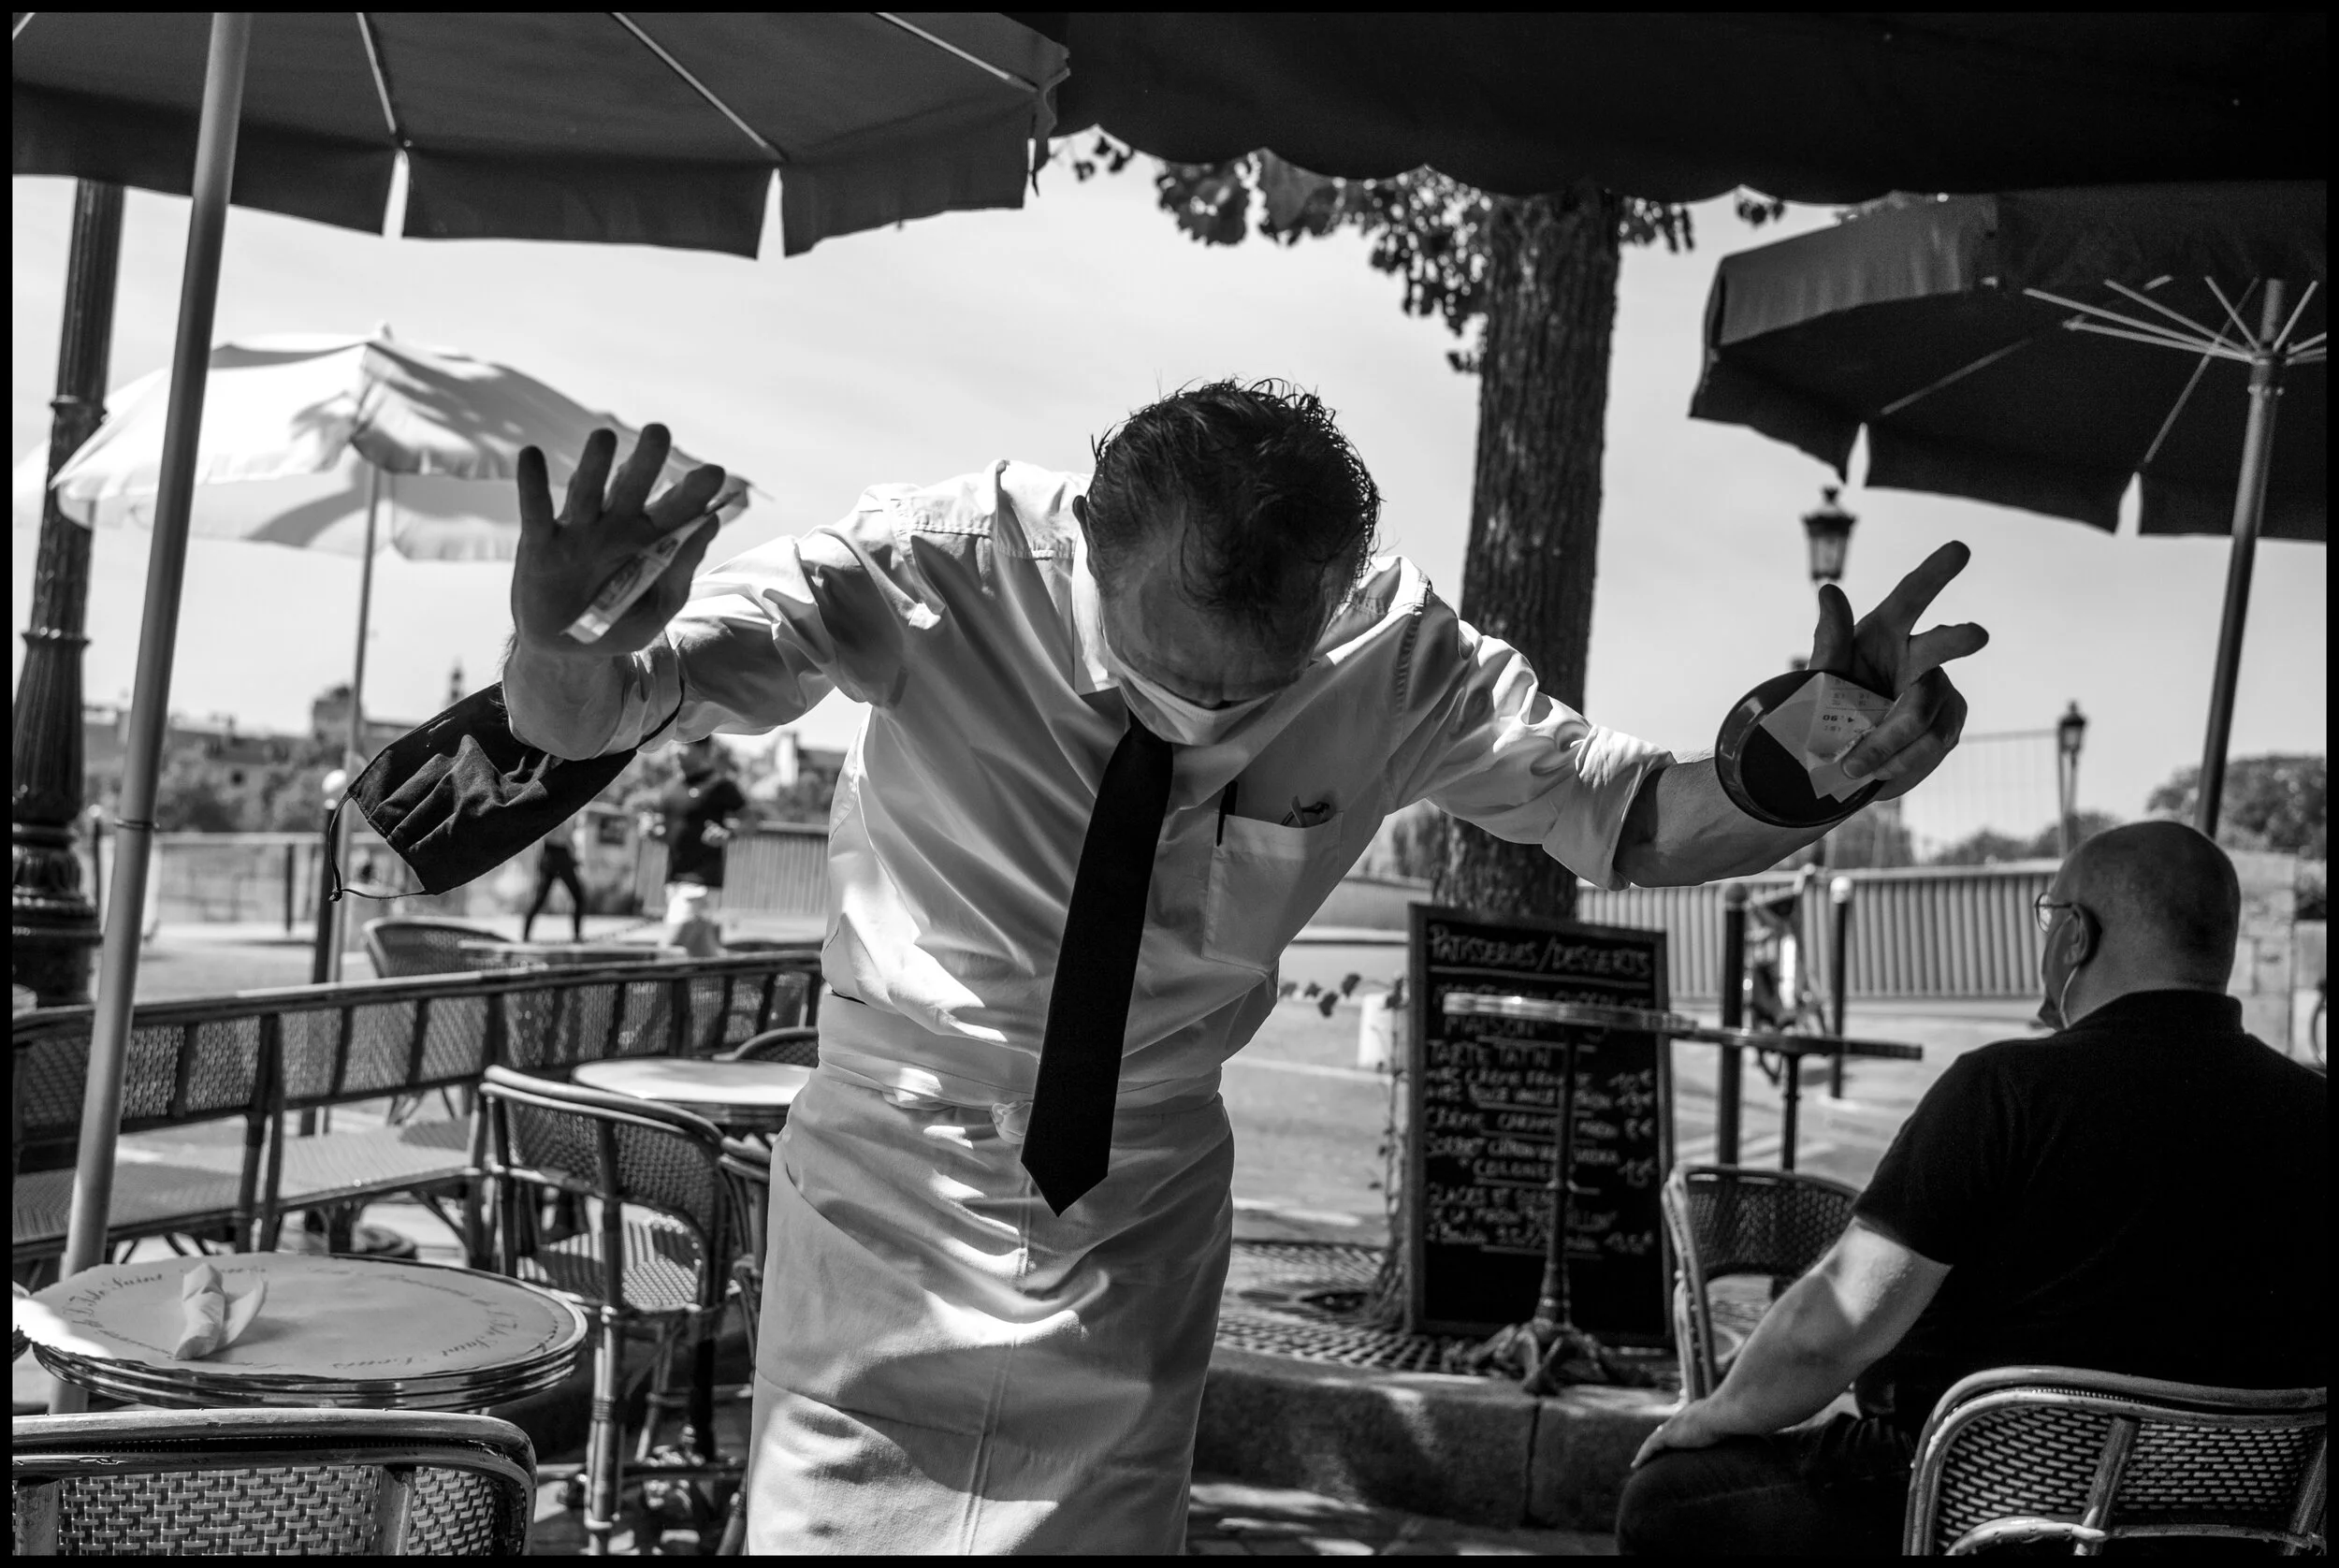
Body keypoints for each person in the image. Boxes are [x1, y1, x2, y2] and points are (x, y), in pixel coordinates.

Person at [501, 385, 1984, 1554]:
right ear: (1092, 543)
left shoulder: (1395, 652)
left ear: (1331, 594)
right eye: (1169, 672)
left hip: (1137, 1202)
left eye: (1251, 690)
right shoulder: (930, 565)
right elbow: (608, 710)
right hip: (892, 1175)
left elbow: (1629, 818)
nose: (1207, 716)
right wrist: (556, 641)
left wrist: (1816, 763)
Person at [1619, 820, 2331, 1555]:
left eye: (2049, 917)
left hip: (1985, 1510)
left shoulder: (2006, 1091)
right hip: (2231, 1530)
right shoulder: (2316, 1115)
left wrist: (1716, 1412)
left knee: (1667, 1500)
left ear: (2075, 938)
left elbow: (1831, 1329)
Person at [653, 735, 745, 957]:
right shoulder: (669, 788)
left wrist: (728, 833)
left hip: (699, 884)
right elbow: (667, 835)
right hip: (673, 883)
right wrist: (653, 833)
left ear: (704, 751)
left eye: (684, 744)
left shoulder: (720, 785)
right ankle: (764, 985)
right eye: (674, 743)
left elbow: (750, 821)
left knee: (669, 951)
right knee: (704, 955)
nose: (675, 750)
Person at [520, 814, 588, 942]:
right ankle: (577, 935)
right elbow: (567, 837)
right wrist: (574, 856)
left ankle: (525, 935)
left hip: (553, 854)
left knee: (541, 898)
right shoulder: (564, 810)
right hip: (557, 854)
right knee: (577, 896)